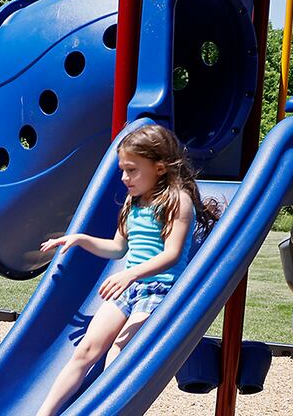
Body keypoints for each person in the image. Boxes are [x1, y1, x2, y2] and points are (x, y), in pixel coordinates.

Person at [36, 125, 220, 416]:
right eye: (123, 170)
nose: (124, 178)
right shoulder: (134, 203)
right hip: (132, 290)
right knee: (85, 352)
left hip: (161, 291)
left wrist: (129, 274)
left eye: (132, 170)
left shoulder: (177, 202)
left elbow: (172, 256)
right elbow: (118, 248)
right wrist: (80, 239)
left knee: (117, 357)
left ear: (159, 167)